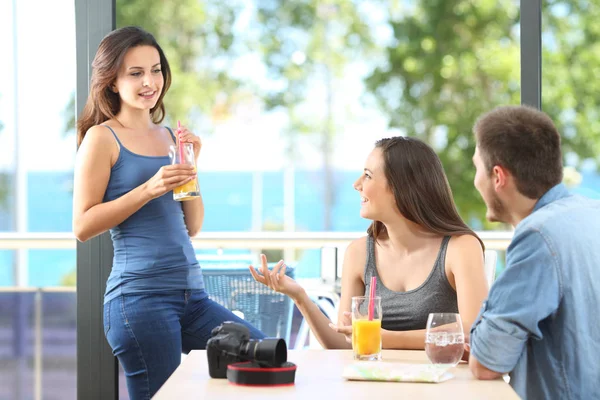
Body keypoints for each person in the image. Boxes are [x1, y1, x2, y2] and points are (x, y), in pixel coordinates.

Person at [72, 26, 264, 399]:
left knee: (265, 359)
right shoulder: (102, 138)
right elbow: (82, 225)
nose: (150, 81)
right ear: (111, 81)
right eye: (136, 73)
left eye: (156, 69)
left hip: (193, 297)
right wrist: (148, 188)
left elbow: (193, 226)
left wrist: (192, 168)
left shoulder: (170, 138)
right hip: (138, 301)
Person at [250, 137, 489, 349]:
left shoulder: (460, 248)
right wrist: (299, 296)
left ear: (402, 187)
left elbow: (473, 332)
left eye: (367, 175)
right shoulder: (359, 253)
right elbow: (343, 343)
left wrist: (383, 338)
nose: (357, 184)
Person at [468, 105, 600, 399]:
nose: (476, 180)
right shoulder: (592, 213)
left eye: (477, 168)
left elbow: (486, 363)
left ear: (498, 176)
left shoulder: (538, 236)